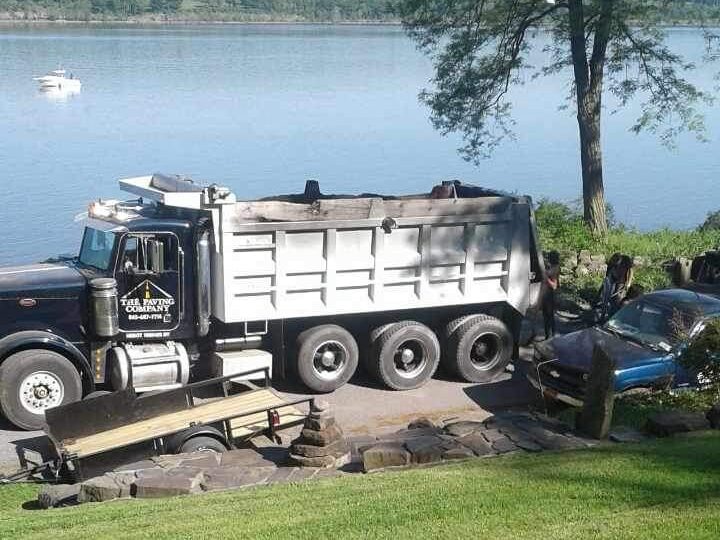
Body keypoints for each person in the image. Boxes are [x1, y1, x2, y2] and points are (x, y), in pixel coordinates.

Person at [542, 251, 561, 339]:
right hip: (548, 295)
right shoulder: (553, 267)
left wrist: (546, 278)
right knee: (547, 316)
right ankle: (549, 336)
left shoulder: (555, 268)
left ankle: (550, 336)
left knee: (549, 316)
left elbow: (554, 286)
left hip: (550, 295)